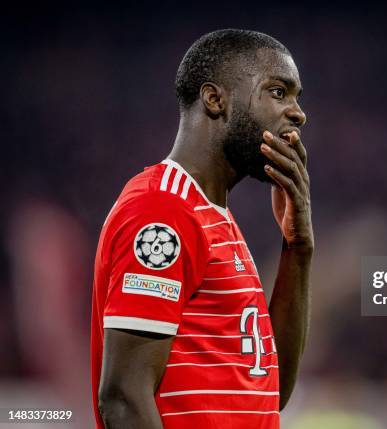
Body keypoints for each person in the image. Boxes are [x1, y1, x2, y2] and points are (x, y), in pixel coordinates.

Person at [90, 29, 312, 429]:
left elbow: (268, 390)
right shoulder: (162, 210)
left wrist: (298, 248)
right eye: (279, 92)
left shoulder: (213, 214)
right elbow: (123, 398)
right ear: (215, 99)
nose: (298, 113)